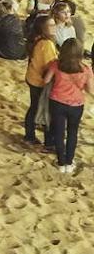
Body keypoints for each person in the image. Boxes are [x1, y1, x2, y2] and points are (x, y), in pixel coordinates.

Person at [42, 37, 94, 174]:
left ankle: (61, 162)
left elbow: (46, 80)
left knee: (58, 133)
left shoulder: (56, 65)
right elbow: (90, 90)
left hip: (57, 102)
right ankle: (69, 162)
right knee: (72, 133)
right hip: (76, 105)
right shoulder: (86, 70)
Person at [24, 16, 58, 148]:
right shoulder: (46, 44)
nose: (54, 27)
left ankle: (29, 136)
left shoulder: (37, 39)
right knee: (44, 111)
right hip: (40, 82)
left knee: (34, 107)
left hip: (32, 78)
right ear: (42, 28)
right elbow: (48, 67)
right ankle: (48, 142)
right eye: (51, 25)